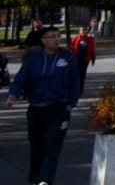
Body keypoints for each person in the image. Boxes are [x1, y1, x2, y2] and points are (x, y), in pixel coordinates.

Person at [5, 25, 80, 185]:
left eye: (58, 36)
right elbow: (21, 77)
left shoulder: (67, 58)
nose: (56, 39)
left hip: (58, 108)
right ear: (43, 41)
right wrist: (13, 95)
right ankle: (35, 177)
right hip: (36, 108)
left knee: (51, 145)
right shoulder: (34, 59)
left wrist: (70, 105)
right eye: (52, 36)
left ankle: (45, 180)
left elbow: (75, 82)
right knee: (37, 145)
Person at [70, 21, 97, 93]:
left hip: (85, 59)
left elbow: (92, 49)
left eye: (84, 30)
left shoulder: (89, 39)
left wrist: (93, 59)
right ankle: (75, 88)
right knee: (76, 74)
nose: (83, 31)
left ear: (87, 31)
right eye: (81, 30)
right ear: (79, 31)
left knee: (82, 74)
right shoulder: (75, 39)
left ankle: (80, 89)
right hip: (76, 59)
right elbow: (71, 48)